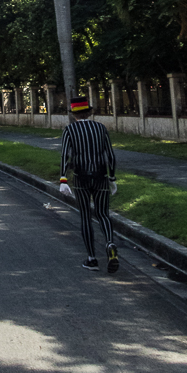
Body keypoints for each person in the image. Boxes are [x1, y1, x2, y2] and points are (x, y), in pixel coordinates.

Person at [59, 93, 118, 273]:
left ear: (73, 114)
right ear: (89, 112)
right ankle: (110, 243)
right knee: (103, 214)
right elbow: (111, 156)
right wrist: (112, 178)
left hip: (81, 178)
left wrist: (63, 179)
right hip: (101, 177)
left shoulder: (69, 130)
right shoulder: (101, 128)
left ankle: (92, 259)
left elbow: (64, 156)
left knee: (85, 216)